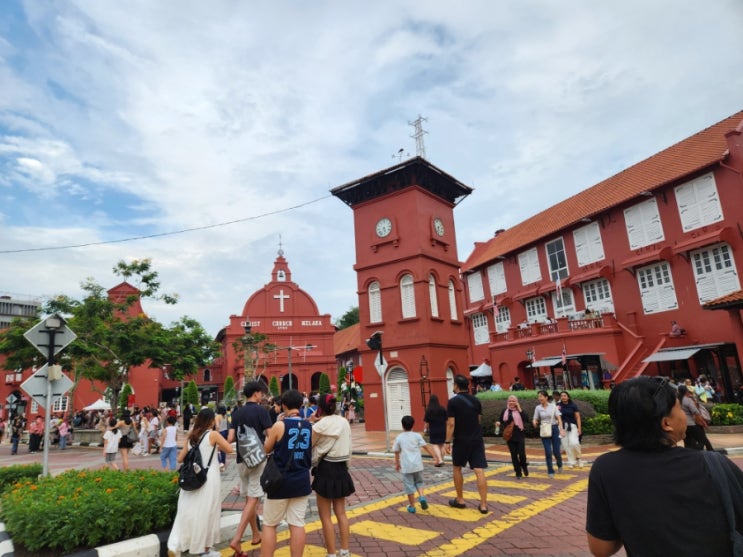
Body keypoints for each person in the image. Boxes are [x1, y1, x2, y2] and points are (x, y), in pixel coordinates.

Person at [586, 376, 743, 556]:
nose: (683, 414)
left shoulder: (605, 469)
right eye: (679, 408)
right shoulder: (714, 464)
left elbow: (601, 549)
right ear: (666, 423)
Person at [167, 407, 233, 557]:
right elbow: (229, 449)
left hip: (192, 479)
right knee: (207, 512)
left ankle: (176, 545)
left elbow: (180, 458)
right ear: (211, 421)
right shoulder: (213, 435)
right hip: (208, 478)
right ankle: (204, 550)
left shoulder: (192, 436)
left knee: (187, 512)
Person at [260, 389, 313, 557]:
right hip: (302, 480)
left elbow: (266, 448)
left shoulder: (279, 425)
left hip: (280, 481)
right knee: (297, 524)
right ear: (301, 405)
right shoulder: (308, 426)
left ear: (283, 405)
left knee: (270, 524)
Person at [227, 381, 274, 554]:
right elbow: (270, 435)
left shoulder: (237, 412)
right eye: (261, 393)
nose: (262, 395)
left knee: (249, 499)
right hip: (257, 459)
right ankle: (237, 538)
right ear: (256, 393)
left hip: (241, 459)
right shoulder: (262, 411)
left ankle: (255, 534)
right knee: (254, 498)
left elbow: (231, 438)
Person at [311, 394, 355, 557]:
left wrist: (312, 422)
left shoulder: (319, 426)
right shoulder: (344, 422)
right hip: (341, 468)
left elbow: (310, 445)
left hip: (325, 468)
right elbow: (349, 446)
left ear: (319, 408)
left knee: (325, 516)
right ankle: (345, 551)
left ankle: (331, 553)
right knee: (341, 513)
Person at [445, 374, 488, 514]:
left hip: (461, 439)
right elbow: (479, 420)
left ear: (457, 386)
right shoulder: (476, 400)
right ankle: (483, 504)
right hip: (476, 439)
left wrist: (447, 441)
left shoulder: (452, 402)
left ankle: (460, 499)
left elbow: (451, 424)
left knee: (457, 468)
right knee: (479, 470)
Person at [393, 415, 434, 513]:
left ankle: (412, 506)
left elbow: (396, 451)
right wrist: (435, 456)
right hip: (418, 465)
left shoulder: (399, 438)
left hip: (406, 467)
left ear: (402, 426)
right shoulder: (417, 436)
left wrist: (397, 463)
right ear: (413, 425)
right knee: (419, 482)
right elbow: (426, 447)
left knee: (409, 487)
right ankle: (422, 497)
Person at [532, 390, 564, 477]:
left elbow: (559, 418)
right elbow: (535, 418)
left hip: (554, 429)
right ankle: (550, 470)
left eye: (541, 396)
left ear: (546, 397)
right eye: (538, 396)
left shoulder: (553, 406)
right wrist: (534, 422)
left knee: (556, 451)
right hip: (544, 430)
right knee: (548, 451)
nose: (539, 398)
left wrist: (561, 429)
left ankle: (559, 464)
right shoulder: (538, 408)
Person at [495, 395, 528, 478]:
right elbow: (501, 420)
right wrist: (498, 423)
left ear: (516, 402)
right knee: (513, 455)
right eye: (510, 401)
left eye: (513, 401)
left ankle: (524, 466)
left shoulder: (520, 410)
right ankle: (518, 472)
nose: (511, 402)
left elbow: (526, 419)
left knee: (522, 454)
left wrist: (519, 408)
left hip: (519, 435)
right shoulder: (505, 411)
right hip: (509, 436)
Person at [678, 385, 713, 451]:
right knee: (703, 439)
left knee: (688, 442)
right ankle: (708, 452)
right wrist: (704, 423)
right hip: (692, 424)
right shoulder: (688, 400)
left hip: (684, 425)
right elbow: (696, 412)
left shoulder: (678, 401)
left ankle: (691, 454)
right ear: (686, 391)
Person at [557, 391, 583, 468]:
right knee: (566, 445)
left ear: (568, 397)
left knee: (574, 443)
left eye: (565, 395)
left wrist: (579, 428)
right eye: (562, 396)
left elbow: (578, 417)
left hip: (572, 426)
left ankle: (579, 458)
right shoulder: (558, 406)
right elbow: (556, 417)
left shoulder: (573, 405)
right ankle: (571, 462)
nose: (563, 397)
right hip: (562, 427)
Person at [423, 394, 447, 467]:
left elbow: (426, 422)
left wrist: (425, 429)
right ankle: (441, 459)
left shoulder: (429, 410)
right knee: (442, 444)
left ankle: (439, 460)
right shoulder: (442, 408)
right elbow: (446, 419)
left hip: (434, 429)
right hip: (443, 429)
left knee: (435, 444)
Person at [215, 405, 229, 472]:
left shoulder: (217, 416)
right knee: (223, 449)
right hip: (225, 432)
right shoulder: (225, 416)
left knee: (216, 449)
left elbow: (217, 426)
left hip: (220, 432)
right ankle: (223, 464)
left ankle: (220, 463)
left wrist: (216, 434)